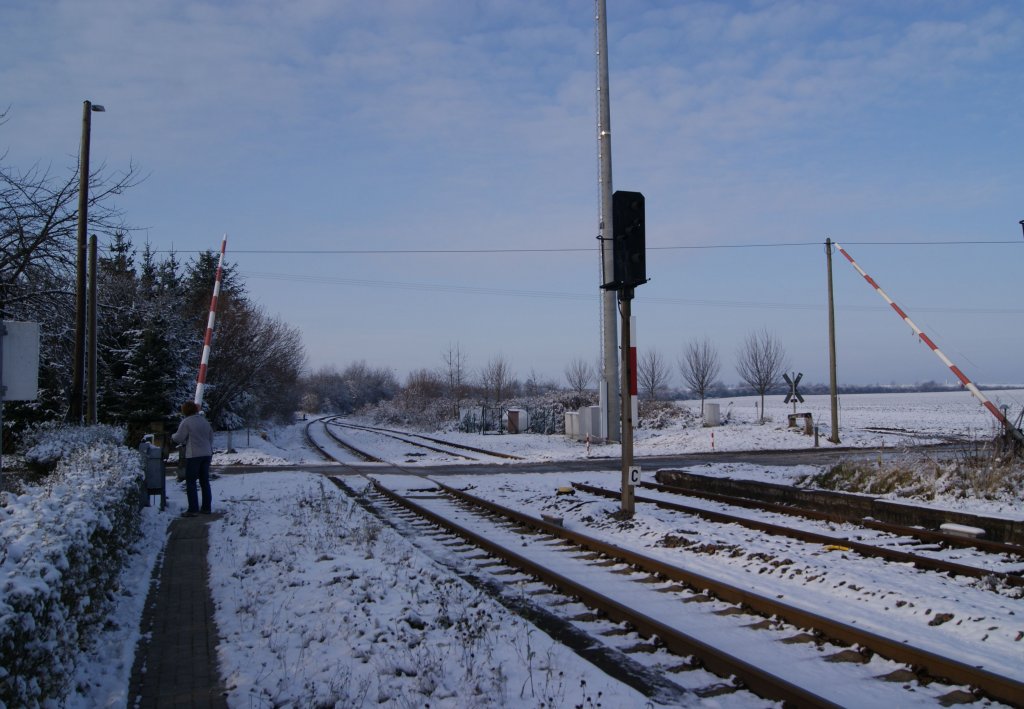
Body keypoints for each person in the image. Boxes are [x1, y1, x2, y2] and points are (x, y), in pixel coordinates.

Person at [171, 401, 214, 517]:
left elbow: (179, 438)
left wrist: (172, 436)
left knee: (191, 482)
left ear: (184, 411)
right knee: (205, 481)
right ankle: (206, 507)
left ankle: (193, 509)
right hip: (207, 453)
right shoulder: (204, 421)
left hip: (194, 454)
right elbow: (211, 437)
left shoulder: (186, 422)